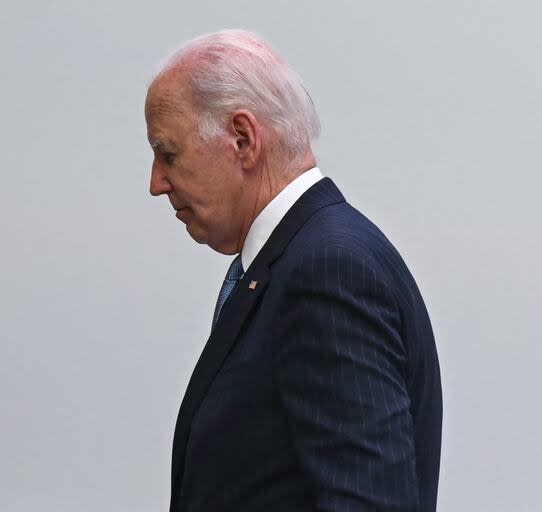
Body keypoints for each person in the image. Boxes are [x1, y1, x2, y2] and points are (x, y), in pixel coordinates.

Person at [145, 30, 442, 511]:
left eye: (168, 153)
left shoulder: (328, 271)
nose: (156, 183)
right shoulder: (300, 260)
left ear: (242, 139)